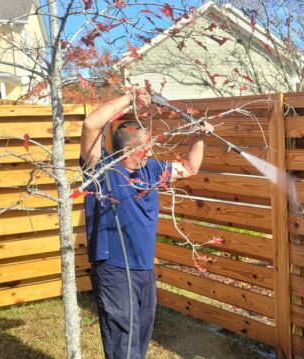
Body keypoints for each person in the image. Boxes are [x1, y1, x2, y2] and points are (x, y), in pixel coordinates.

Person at [79, 92, 214, 359]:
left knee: (140, 336)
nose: (150, 150)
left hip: (144, 268)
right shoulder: (101, 170)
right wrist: (130, 97)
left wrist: (198, 137)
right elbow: (91, 125)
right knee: (123, 340)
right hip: (114, 270)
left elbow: (189, 168)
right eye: (145, 146)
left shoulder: (152, 170)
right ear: (128, 149)